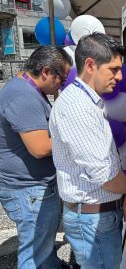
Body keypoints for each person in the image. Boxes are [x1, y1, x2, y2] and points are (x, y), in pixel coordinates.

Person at [49, 33, 126, 268]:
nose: (119, 77)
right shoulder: (78, 107)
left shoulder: (85, 101)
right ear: (90, 65)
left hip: (96, 214)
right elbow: (104, 175)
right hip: (92, 217)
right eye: (113, 69)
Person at [0, 46, 72, 268]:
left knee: (42, 244)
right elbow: (40, 148)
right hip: (29, 190)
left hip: (31, 187)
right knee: (33, 254)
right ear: (46, 71)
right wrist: (74, 137)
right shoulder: (23, 95)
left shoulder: (24, 89)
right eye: (62, 78)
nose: (63, 84)